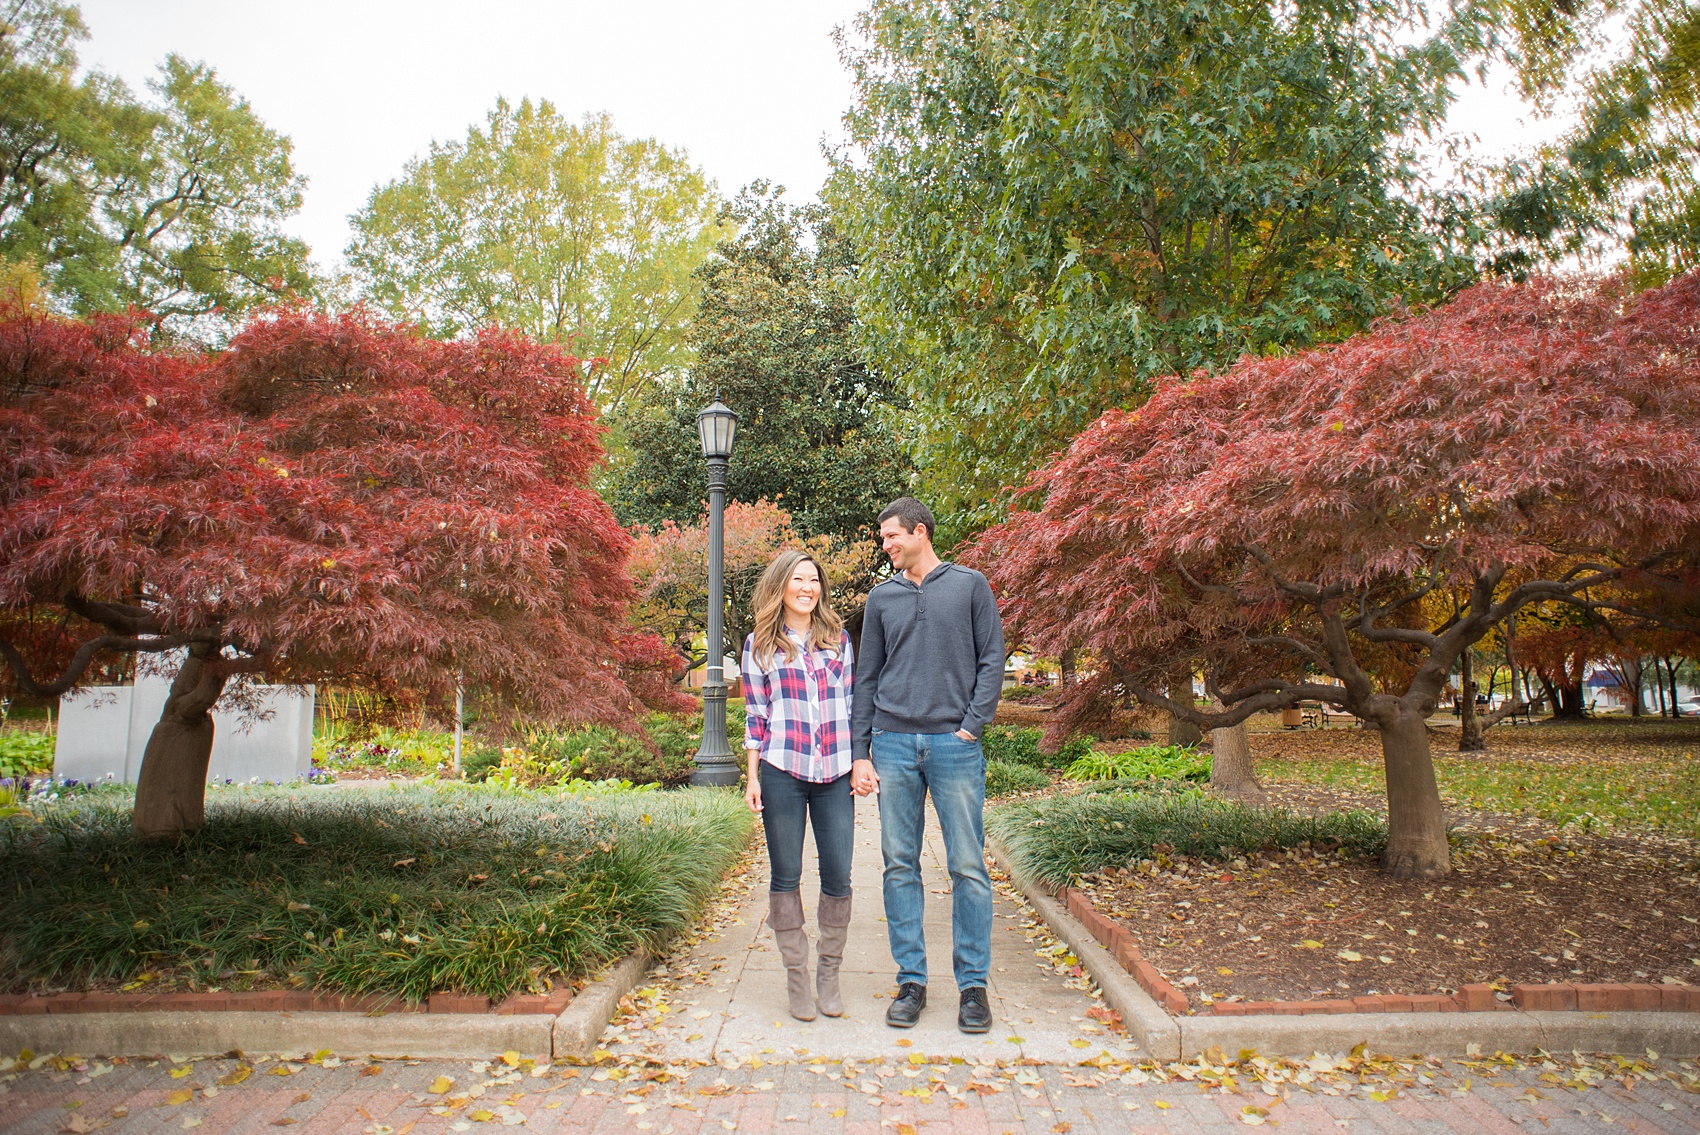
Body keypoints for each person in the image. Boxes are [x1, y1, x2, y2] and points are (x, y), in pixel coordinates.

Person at [850, 497, 1004, 1033]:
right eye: (883, 538)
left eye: (892, 536)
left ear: (920, 531)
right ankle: (911, 980)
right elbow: (866, 677)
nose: (886, 545)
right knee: (899, 864)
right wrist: (860, 751)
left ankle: (973, 988)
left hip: (953, 746)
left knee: (967, 866)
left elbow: (992, 658)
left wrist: (971, 725)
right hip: (892, 743)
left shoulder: (969, 586)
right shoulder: (881, 599)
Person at [741, 549, 861, 1021]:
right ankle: (797, 978)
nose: (807, 588)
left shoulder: (838, 640)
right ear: (781, 587)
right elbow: (756, 715)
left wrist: (859, 763)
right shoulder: (760, 645)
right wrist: (752, 777)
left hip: (834, 772)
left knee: (839, 875)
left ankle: (828, 975)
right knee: (785, 876)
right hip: (781, 770)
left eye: (814, 580)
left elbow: (852, 706)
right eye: (798, 580)